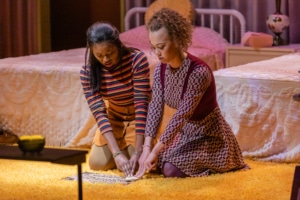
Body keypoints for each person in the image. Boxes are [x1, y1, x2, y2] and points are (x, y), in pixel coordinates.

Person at [135, 8, 249, 178]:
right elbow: (155, 108)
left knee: (170, 169)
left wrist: (156, 149)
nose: (157, 53)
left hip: (209, 135)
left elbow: (181, 115)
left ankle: (222, 161)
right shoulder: (160, 69)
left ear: (178, 40)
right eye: (153, 47)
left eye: (161, 47)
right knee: (155, 162)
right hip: (185, 133)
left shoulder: (198, 72)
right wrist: (146, 148)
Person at [80, 22, 151, 177]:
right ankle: (122, 147)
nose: (105, 59)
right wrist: (116, 153)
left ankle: (132, 146)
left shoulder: (136, 60)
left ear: (118, 45)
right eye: (99, 55)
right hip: (115, 116)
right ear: (91, 51)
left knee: (137, 162)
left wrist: (139, 150)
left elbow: (141, 106)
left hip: (139, 116)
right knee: (97, 164)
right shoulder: (87, 73)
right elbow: (99, 113)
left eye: (110, 53)